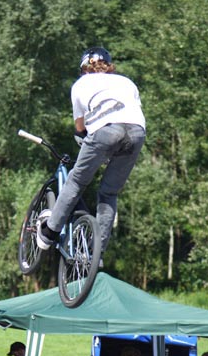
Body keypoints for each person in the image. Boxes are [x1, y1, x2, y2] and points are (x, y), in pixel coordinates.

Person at [36, 46, 146, 258]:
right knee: (109, 192)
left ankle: (49, 232)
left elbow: (79, 127)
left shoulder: (81, 84)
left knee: (77, 181)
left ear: (84, 68)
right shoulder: (126, 82)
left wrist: (86, 140)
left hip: (105, 132)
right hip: (136, 132)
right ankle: (96, 254)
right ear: (108, 65)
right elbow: (129, 116)